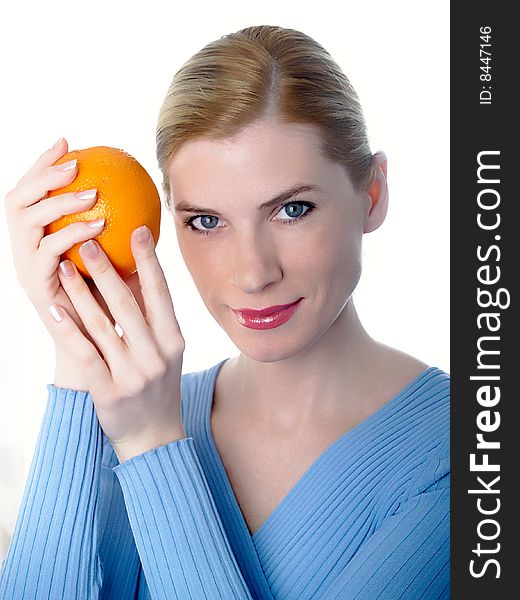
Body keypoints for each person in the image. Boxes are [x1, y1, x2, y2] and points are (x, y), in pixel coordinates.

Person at [0, 25, 449, 599]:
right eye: (206, 222)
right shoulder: (133, 409)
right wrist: (77, 357)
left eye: (293, 209)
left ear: (374, 193)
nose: (252, 273)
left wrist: (155, 448)